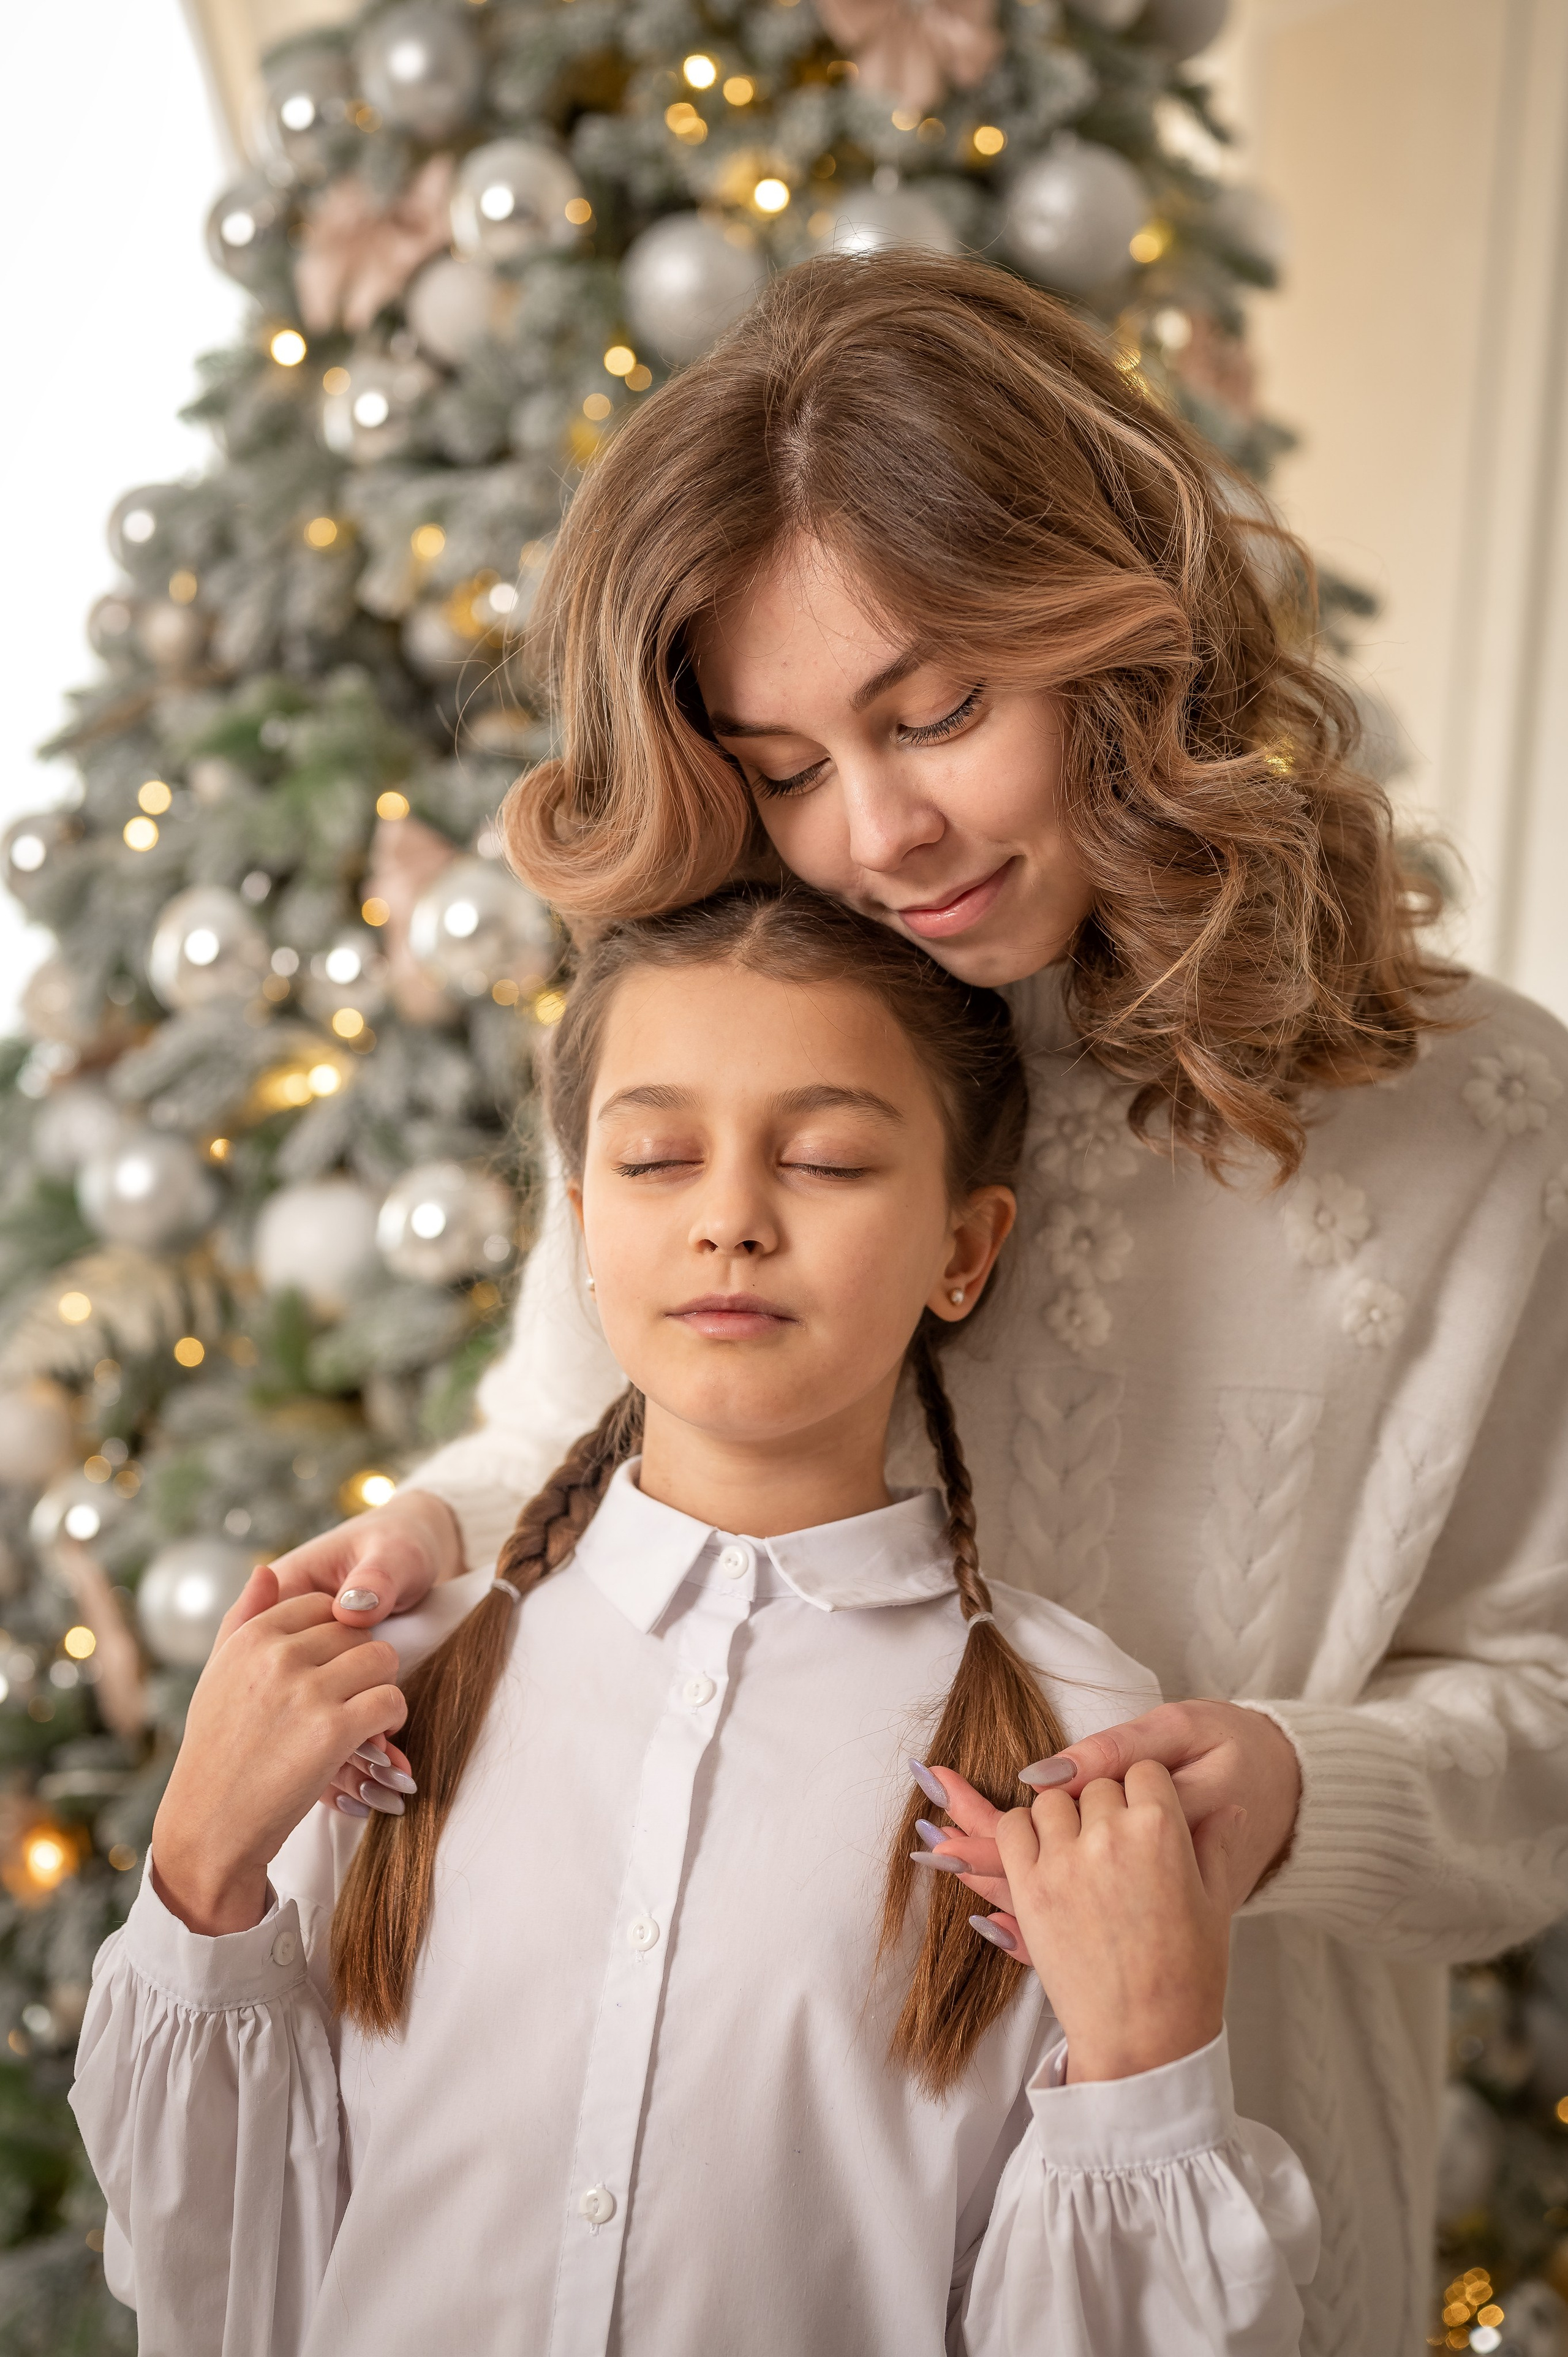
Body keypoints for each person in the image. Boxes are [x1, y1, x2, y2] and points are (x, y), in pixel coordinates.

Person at [266, 253, 1568, 2356]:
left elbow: (1546, 1711)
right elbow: (564, 1438)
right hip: (720, 2192)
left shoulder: (1482, 1126)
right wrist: (419, 1536)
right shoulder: (759, 1022)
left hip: (1196, 2178)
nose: (874, 836)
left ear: (1127, 636)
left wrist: (1291, 1787)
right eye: (780, 762)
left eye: (938, 709)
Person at [72, 888, 1317, 2356]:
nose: (730, 1217)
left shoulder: (1076, 1745)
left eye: (828, 1157)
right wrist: (200, 1870)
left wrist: (1142, 2062)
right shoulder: (381, 1695)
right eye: (659, 1158)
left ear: (963, 1250)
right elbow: (218, 2276)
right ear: (587, 1228)